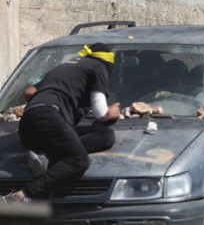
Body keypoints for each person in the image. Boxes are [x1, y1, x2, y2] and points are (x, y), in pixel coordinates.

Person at [0, 43, 120, 204]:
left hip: (28, 125)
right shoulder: (98, 66)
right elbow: (100, 112)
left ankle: (47, 155)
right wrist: (110, 113)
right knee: (79, 160)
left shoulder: (65, 66)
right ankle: (20, 196)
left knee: (105, 135)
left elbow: (29, 93)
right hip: (50, 118)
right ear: (109, 64)